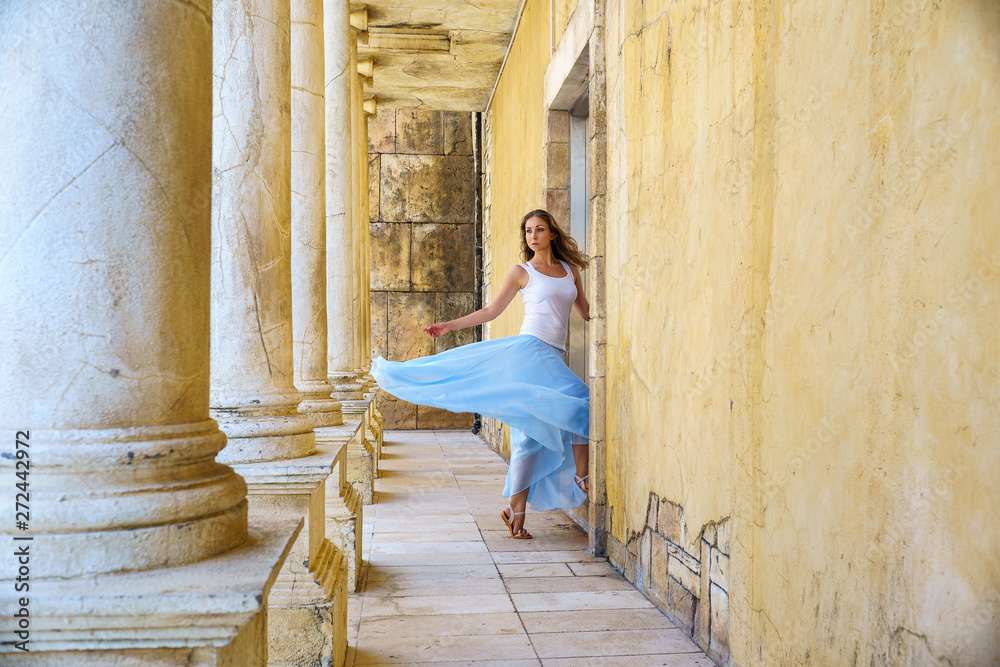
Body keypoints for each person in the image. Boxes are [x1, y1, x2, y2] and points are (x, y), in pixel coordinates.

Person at [370, 209, 591, 539]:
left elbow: (586, 311)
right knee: (580, 402)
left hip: (552, 354)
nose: (533, 235)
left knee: (530, 437)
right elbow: (492, 311)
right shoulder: (522, 272)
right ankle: (582, 476)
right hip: (531, 351)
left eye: (540, 229)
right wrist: (450, 325)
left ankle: (515, 514)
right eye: (528, 230)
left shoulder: (570, 271)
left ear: (552, 234)